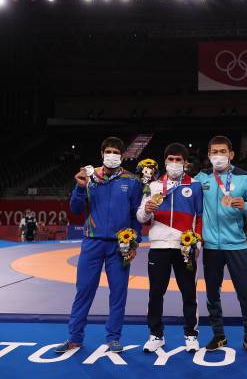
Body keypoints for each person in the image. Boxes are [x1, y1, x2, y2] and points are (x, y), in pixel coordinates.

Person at [55, 136, 143, 354]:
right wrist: (78, 187)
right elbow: (75, 210)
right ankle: (74, 338)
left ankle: (113, 339)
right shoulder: (89, 177)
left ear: (122, 156)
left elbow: (136, 216)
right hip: (92, 242)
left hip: (119, 246)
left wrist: (134, 243)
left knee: (118, 293)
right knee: (83, 291)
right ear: (102, 154)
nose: (111, 155)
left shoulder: (132, 181)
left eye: (116, 152)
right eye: (108, 151)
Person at [194, 135, 247, 355]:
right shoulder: (201, 177)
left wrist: (246, 206)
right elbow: (187, 199)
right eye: (214, 152)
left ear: (231, 154)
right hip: (211, 246)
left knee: (246, 292)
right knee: (212, 293)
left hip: (237, 245)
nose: (218, 156)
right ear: (209, 155)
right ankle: (219, 335)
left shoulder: (244, 177)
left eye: (222, 151)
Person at [137, 143, 203, 353]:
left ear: (185, 163)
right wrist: (147, 210)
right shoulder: (153, 186)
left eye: (179, 160)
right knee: (156, 293)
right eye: (171, 159)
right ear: (165, 162)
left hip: (185, 247)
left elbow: (200, 217)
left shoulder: (195, 185)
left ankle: (191, 335)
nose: (174, 163)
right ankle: (156, 335)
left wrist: (197, 241)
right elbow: (141, 217)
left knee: (189, 293)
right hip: (158, 247)